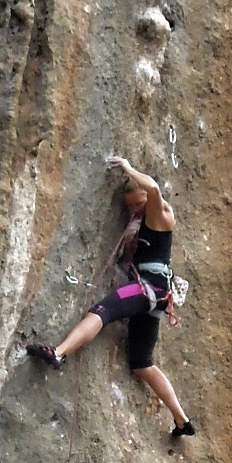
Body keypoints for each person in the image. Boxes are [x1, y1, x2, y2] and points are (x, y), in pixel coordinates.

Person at [27, 154, 196, 438]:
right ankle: (181, 420)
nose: (134, 210)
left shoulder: (161, 212)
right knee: (142, 362)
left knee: (101, 312)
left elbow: (153, 189)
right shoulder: (143, 219)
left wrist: (129, 168)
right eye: (130, 207)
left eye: (137, 204)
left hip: (148, 288)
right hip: (156, 294)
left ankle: (58, 353)